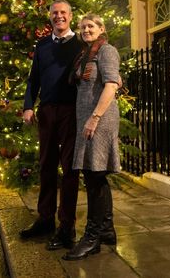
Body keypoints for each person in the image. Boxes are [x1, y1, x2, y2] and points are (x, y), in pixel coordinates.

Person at [20, 0, 83, 251]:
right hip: (46, 112)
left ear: (70, 16)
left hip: (72, 112)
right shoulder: (43, 45)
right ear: (50, 17)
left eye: (63, 13)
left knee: (69, 169)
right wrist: (28, 105)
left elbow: (97, 64)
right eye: (55, 13)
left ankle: (66, 226)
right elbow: (33, 79)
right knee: (46, 165)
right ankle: (45, 219)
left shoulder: (82, 43)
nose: (59, 17)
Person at [62, 13, 120, 261]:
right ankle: (106, 230)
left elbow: (111, 85)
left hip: (100, 119)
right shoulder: (85, 54)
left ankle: (92, 237)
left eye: (91, 26)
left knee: (94, 174)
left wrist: (95, 117)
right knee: (95, 175)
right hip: (87, 119)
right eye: (83, 27)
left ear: (101, 28)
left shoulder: (106, 51)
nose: (86, 30)